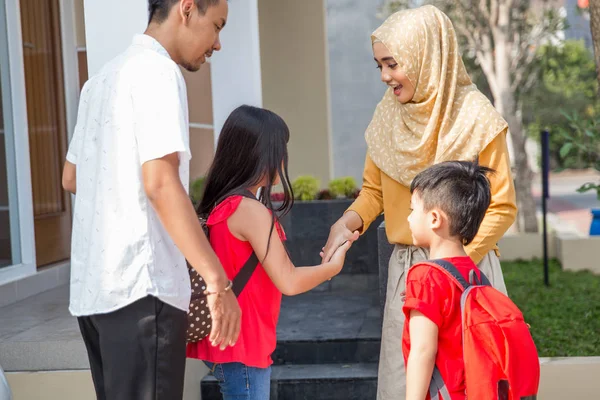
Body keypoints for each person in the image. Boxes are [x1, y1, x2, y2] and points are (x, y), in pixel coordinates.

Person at [320, 5, 517, 399]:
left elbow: (501, 205)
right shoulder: (386, 118)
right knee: (405, 383)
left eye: (392, 64)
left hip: (468, 273)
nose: (384, 77)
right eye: (379, 65)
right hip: (410, 273)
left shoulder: (478, 117)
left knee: (471, 382)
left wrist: (450, 263)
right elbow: (373, 192)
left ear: (426, 56)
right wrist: (348, 222)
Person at [61, 1, 241, 399]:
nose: (218, 43)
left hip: (95, 293)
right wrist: (216, 282)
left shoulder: (101, 80)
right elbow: (160, 183)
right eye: (217, 26)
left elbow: (71, 177)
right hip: (143, 289)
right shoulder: (158, 72)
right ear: (187, 9)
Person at [187, 105, 358, 400]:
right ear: (257, 154)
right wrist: (333, 266)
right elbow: (288, 280)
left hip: (230, 344)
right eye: (278, 150)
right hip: (243, 345)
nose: (282, 159)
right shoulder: (250, 210)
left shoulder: (223, 203)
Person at [403, 161, 493, 400]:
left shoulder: (425, 276)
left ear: (434, 219)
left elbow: (423, 350)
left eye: (412, 209)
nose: (409, 218)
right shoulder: (476, 274)